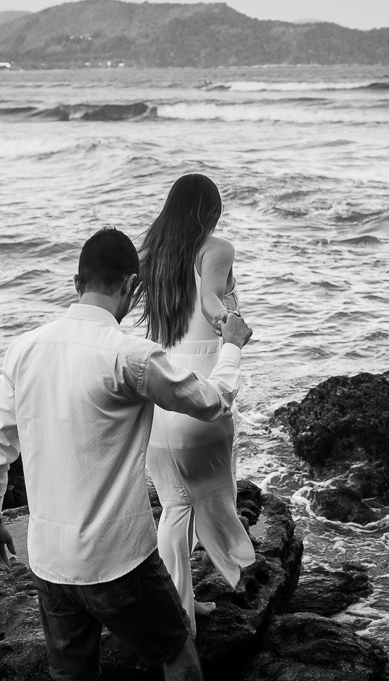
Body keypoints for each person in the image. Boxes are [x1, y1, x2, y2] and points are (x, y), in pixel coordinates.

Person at [0, 226, 253, 681]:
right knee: (179, 657)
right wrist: (233, 348)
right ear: (130, 285)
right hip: (117, 560)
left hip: (50, 561)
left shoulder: (21, 350)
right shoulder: (131, 356)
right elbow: (212, 401)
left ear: (76, 283)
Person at [136, 174, 257, 635]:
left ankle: (181, 606)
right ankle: (179, 614)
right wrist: (230, 325)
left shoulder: (153, 254)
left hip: (157, 391)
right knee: (195, 504)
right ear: (209, 210)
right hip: (201, 389)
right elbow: (209, 298)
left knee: (175, 505)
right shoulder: (216, 248)